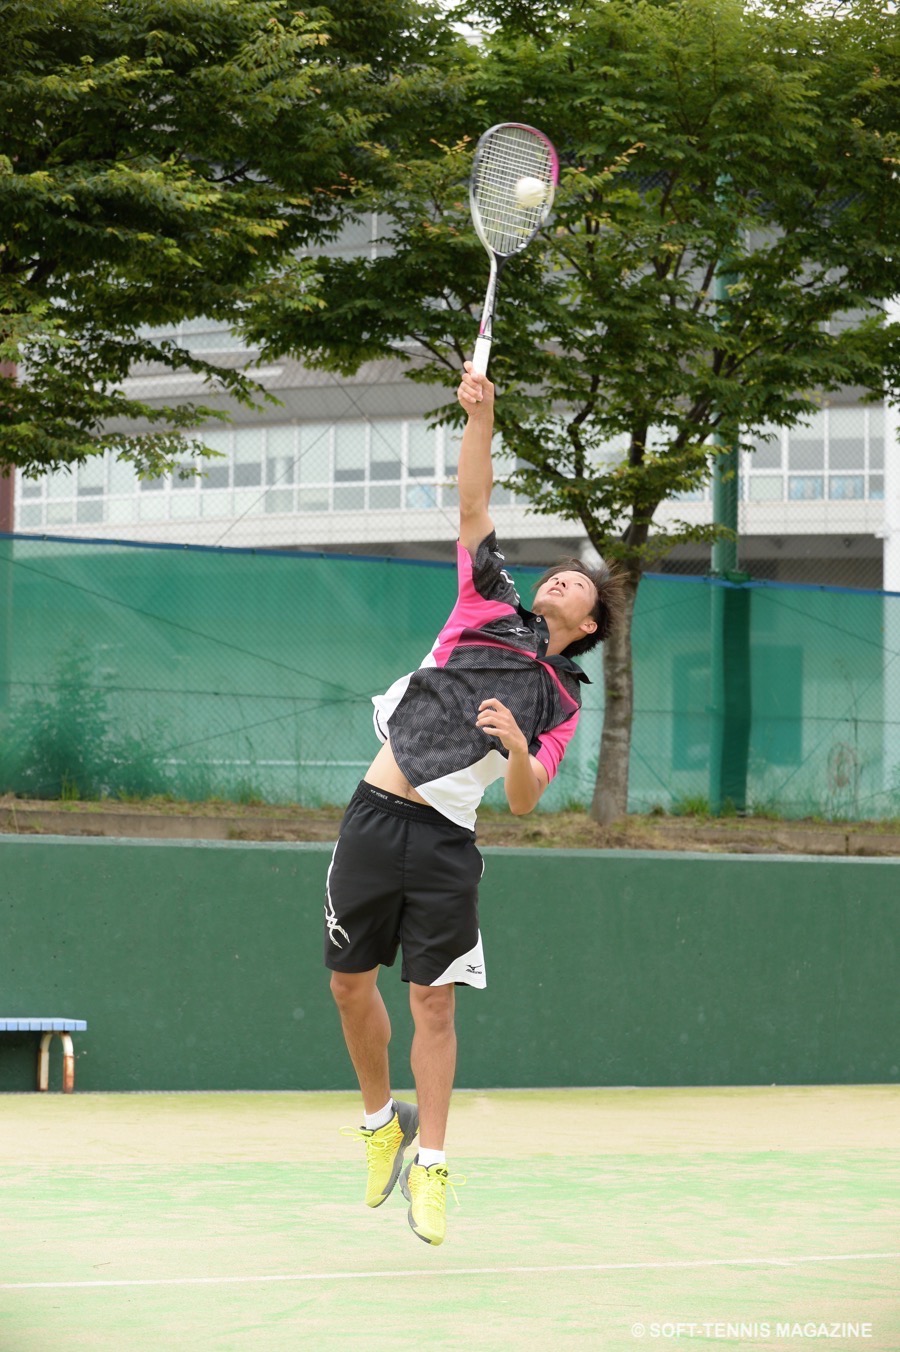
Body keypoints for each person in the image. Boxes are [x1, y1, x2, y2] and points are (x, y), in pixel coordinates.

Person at [324, 362, 621, 1247]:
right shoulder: (485, 602)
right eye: (557, 573)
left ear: (593, 625)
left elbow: (527, 803)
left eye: (577, 584)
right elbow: (474, 506)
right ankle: (383, 1127)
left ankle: (436, 1167)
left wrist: (522, 748)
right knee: (346, 986)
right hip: (377, 812)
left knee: (436, 1005)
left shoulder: (563, 700)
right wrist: (480, 416)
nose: (560, 579)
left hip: (450, 839)